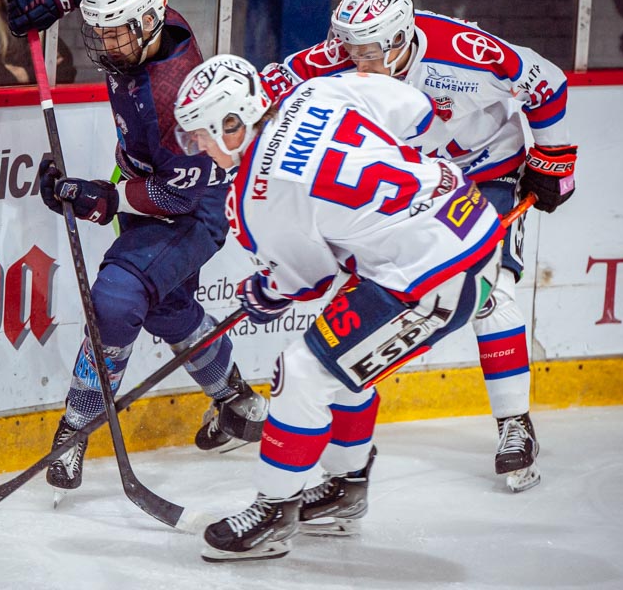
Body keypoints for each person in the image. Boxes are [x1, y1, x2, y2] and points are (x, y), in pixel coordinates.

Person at [173, 54, 507, 562]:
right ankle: (345, 490)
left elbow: (309, 280)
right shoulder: (316, 92)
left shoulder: (257, 196)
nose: (198, 146)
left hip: (434, 276)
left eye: (201, 134)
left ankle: (274, 512)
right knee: (342, 359)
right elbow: (418, 112)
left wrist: (265, 292)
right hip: (470, 223)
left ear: (233, 124)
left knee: (301, 371)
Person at [262, 0, 578, 493]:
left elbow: (546, 82)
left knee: (491, 293)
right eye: (349, 48)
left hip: (486, 174)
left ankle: (515, 424)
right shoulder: (344, 55)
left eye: (367, 51)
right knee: (360, 303)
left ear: (400, 38)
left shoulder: (462, 52)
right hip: (414, 186)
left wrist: (553, 158)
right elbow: (273, 82)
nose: (355, 62)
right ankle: (345, 454)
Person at [5, 0, 267, 492]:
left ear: (148, 24)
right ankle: (238, 403)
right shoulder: (141, 6)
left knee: (118, 299)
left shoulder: (172, 97)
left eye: (116, 35)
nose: (105, 47)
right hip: (151, 179)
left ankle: (74, 432)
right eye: (98, 32)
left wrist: (101, 199)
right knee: (166, 306)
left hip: (193, 206)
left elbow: (175, 196)